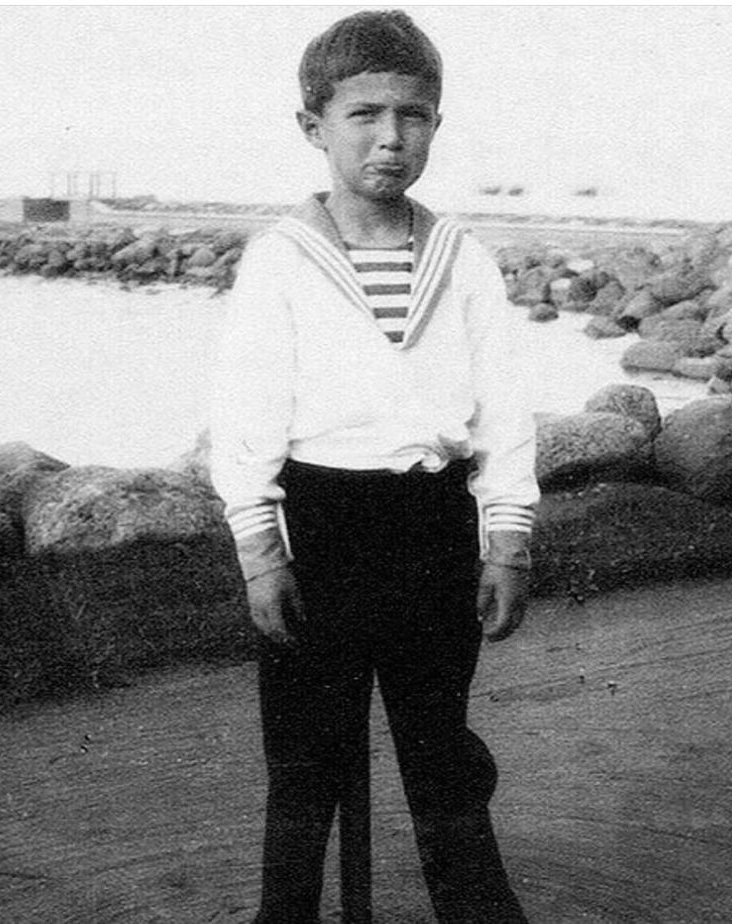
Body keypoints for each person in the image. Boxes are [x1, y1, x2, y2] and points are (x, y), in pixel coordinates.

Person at [211, 10, 540, 923]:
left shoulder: (460, 257)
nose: (391, 137)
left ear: (436, 123)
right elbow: (245, 420)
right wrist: (260, 554)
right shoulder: (281, 260)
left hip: (433, 526)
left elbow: (504, 408)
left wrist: (506, 537)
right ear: (314, 127)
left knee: (443, 756)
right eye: (364, 114)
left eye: (415, 114)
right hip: (320, 526)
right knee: (306, 765)